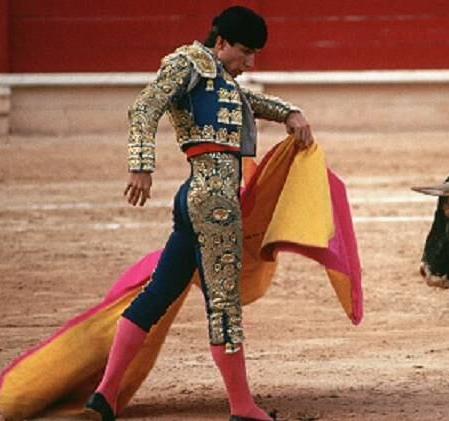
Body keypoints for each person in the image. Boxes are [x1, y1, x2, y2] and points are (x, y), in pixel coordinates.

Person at [84, 6, 312, 421]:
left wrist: (289, 112)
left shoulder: (220, 78)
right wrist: (141, 165)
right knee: (224, 303)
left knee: (158, 294)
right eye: (245, 52)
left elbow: (248, 100)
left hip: (199, 197)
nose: (251, 62)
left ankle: (104, 395)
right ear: (220, 41)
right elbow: (145, 106)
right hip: (215, 201)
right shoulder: (187, 63)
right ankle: (242, 407)